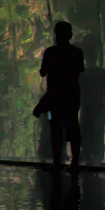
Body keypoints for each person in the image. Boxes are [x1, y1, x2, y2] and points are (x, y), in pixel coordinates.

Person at [37, 21, 85, 170]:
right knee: (72, 127)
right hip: (72, 96)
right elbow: (80, 70)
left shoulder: (50, 52)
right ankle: (75, 161)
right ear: (70, 35)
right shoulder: (77, 52)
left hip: (55, 97)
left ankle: (57, 161)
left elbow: (43, 72)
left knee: (56, 129)